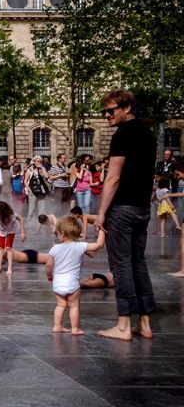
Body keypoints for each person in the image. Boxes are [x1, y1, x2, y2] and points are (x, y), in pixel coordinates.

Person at [95, 89, 157, 341]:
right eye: (104, 112)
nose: (106, 116)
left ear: (127, 108)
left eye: (111, 110)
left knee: (120, 265)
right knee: (138, 263)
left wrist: (101, 213)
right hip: (142, 208)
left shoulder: (122, 135)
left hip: (122, 209)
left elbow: (113, 177)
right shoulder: (147, 133)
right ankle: (144, 323)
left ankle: (122, 325)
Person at [46, 215, 107, 335]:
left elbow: (48, 265)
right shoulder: (80, 246)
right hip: (73, 282)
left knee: (60, 305)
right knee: (74, 306)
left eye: (58, 233)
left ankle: (57, 326)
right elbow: (99, 245)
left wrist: (49, 276)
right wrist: (101, 230)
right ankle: (75, 329)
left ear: (62, 234)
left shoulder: (55, 248)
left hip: (58, 282)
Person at [0, 201, 25, 274]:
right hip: (1, 230)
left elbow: (21, 219)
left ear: (3, 212)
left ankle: (10, 268)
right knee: (0, 247)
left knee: (8, 248)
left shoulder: (12, 214)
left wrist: (23, 232)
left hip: (10, 230)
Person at [24, 155, 51, 232]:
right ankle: (28, 225)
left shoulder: (42, 169)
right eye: (38, 161)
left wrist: (42, 169)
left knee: (42, 210)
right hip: (33, 192)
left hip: (41, 192)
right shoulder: (30, 170)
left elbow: (47, 177)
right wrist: (29, 189)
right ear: (34, 162)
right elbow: (25, 181)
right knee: (32, 209)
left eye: (41, 161)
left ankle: (40, 227)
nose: (40, 163)